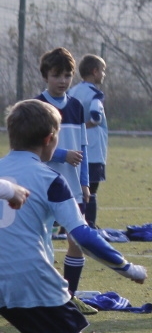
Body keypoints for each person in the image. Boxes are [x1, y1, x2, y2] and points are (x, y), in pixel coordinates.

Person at [0, 99, 146, 333]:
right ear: (51, 139)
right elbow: (81, 234)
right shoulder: (49, 178)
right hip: (31, 277)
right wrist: (126, 267)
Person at [36, 48, 92, 306]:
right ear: (46, 75)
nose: (62, 80)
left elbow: (83, 147)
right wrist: (61, 155)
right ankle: (43, 295)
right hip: (42, 186)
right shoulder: (37, 107)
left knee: (76, 242)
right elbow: (33, 147)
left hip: (72, 187)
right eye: (57, 75)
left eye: (67, 75)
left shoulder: (77, 106)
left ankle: (69, 297)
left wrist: (85, 181)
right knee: (41, 245)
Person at [68, 54, 108, 230]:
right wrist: (82, 127)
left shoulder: (72, 91)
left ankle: (67, 224)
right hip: (92, 148)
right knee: (91, 189)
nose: (103, 74)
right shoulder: (95, 94)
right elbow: (96, 117)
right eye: (102, 70)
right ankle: (89, 224)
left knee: (73, 188)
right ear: (95, 71)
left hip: (73, 146)